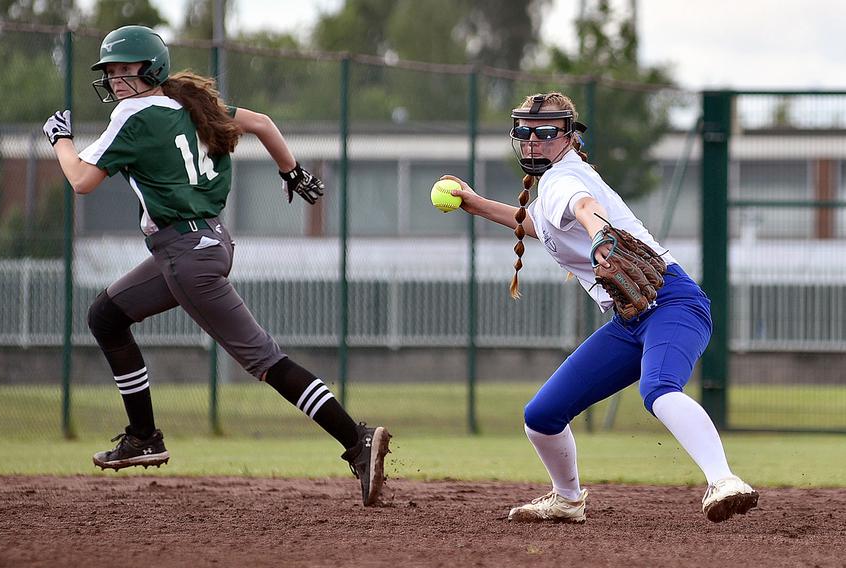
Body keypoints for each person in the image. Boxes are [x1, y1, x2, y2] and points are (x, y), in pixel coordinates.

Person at [42, 25, 390, 506]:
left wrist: (60, 139)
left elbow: (81, 180)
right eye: (111, 71)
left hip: (188, 256)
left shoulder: (134, 113)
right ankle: (143, 436)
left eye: (126, 69)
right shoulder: (192, 105)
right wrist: (292, 171)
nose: (117, 79)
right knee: (106, 316)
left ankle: (357, 440)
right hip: (204, 242)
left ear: (153, 69)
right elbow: (264, 123)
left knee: (264, 359)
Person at [440, 92, 759, 523]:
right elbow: (540, 224)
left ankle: (724, 481)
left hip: (671, 302)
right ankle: (568, 499)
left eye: (547, 132)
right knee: (542, 416)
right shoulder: (559, 179)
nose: (534, 141)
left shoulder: (563, 180)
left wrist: (599, 234)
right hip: (630, 319)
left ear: (570, 136)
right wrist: (476, 204)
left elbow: (584, 208)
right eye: (525, 132)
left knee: (658, 389)